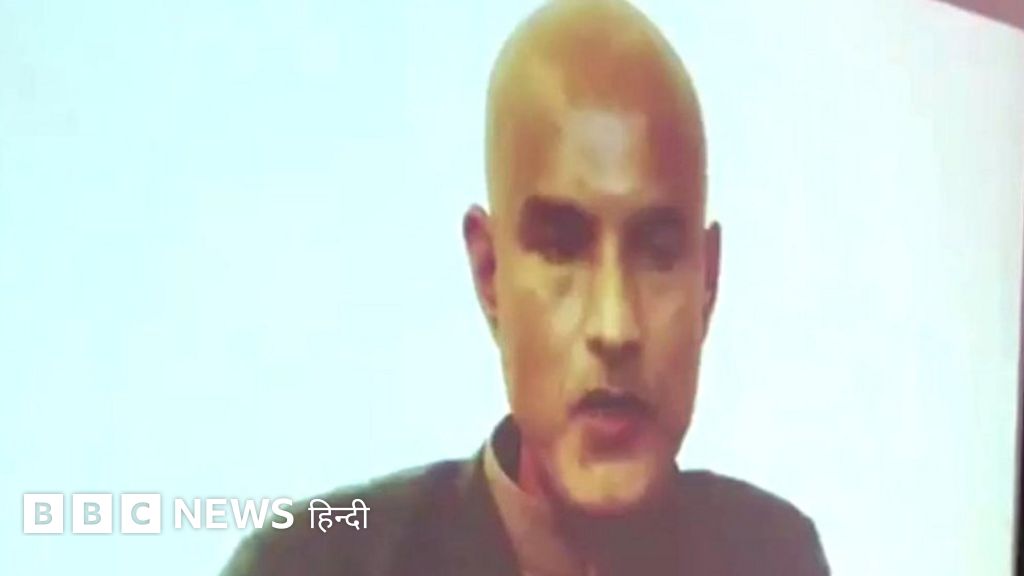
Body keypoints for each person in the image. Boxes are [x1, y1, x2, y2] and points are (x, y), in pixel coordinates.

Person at [222, 0, 830, 574]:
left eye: (658, 253)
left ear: (709, 283)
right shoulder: (312, 562)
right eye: (563, 248)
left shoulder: (772, 554)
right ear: (490, 274)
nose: (614, 325)